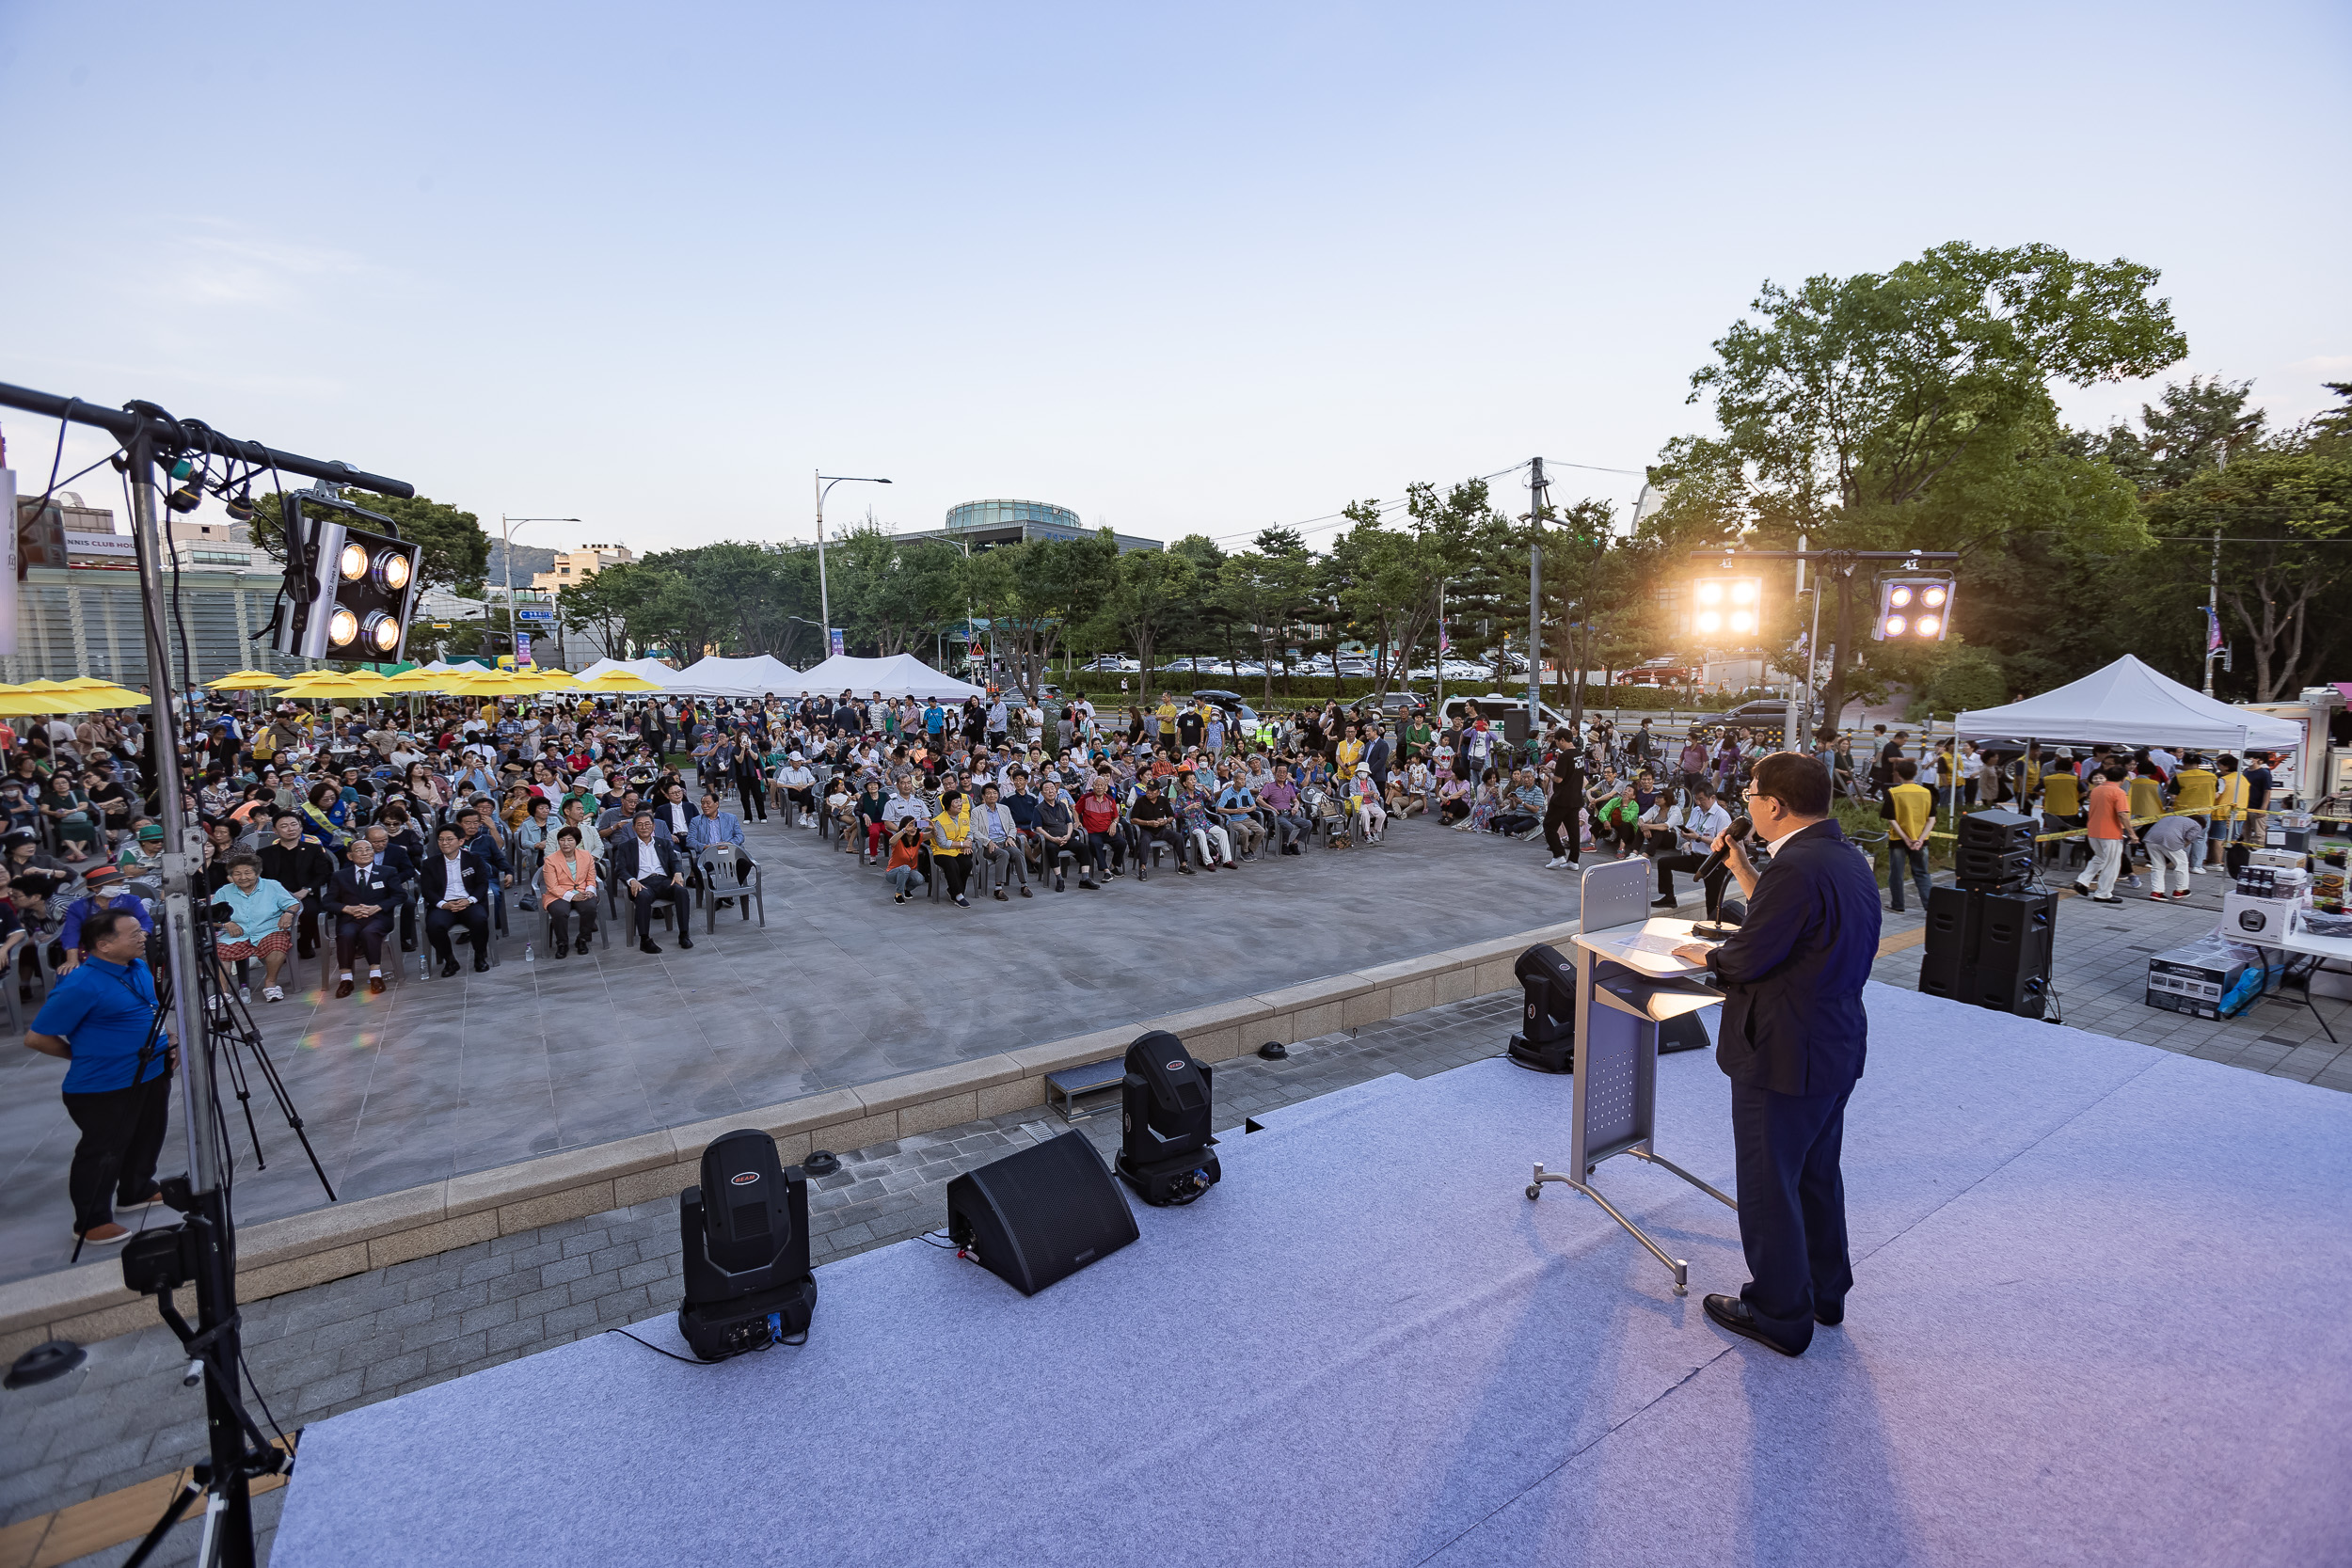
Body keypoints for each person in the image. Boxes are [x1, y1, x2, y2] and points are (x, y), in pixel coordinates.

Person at [1670, 752, 1879, 1358]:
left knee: (1768, 1182)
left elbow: (1750, 955)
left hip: (1783, 1049)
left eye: (1753, 792)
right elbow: (1794, 926)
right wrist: (1742, 871)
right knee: (1814, 1175)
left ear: (1776, 805)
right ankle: (1823, 1293)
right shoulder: (1840, 857)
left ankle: (1779, 1311)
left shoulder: (1798, 868)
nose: (1748, 803)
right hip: (1833, 1041)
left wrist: (1706, 957)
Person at [25, 906, 174, 1246]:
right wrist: (78, 1054)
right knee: (104, 1151)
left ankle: (136, 1190)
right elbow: (36, 1037)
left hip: (150, 1070)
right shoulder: (81, 983)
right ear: (104, 946)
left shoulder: (135, 965)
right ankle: (91, 1222)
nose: (144, 936)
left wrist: (170, 1040)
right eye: (134, 933)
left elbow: (148, 1009)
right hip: (104, 1084)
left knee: (148, 1134)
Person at [212, 852, 301, 1002]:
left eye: (248, 873)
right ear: (231, 876)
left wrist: (288, 914)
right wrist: (226, 923)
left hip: (268, 930)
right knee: (220, 952)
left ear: (257, 873)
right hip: (237, 934)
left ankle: (270, 984)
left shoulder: (272, 885)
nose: (242, 877)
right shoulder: (224, 891)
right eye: (237, 874)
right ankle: (223, 992)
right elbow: (210, 915)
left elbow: (293, 903)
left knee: (278, 945)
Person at [327, 836, 404, 997]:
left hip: (378, 917)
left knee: (369, 932)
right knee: (345, 934)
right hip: (351, 918)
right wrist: (347, 908)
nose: (364, 853)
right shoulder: (340, 876)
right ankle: (346, 979)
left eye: (368, 849)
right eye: (359, 850)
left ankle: (375, 975)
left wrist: (378, 907)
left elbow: (399, 896)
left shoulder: (387, 872)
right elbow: (328, 902)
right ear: (350, 856)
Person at [421, 824, 496, 975]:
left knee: (479, 920)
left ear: (461, 841)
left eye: (449, 839)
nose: (444, 843)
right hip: (444, 905)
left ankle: (479, 957)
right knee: (434, 926)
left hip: (468, 902)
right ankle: (450, 961)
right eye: (441, 839)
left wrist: (470, 900)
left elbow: (482, 883)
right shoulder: (430, 863)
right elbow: (427, 890)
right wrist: (444, 904)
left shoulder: (473, 859)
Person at [1651, 781, 1733, 918]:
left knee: (1712, 898)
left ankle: (1712, 925)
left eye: (1702, 799)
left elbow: (1724, 843)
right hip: (1696, 856)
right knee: (1664, 863)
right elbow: (1691, 828)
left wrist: (1699, 837)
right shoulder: (1696, 811)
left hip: (1714, 862)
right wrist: (1687, 835)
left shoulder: (1722, 816)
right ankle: (1669, 897)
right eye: (1696, 799)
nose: (1698, 802)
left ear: (1712, 798)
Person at [619, 811, 693, 950]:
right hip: (642, 883)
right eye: (639, 825)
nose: (644, 827)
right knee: (642, 896)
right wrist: (631, 880)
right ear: (633, 828)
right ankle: (645, 939)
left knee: (682, 892)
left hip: (664, 881)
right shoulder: (626, 847)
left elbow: (674, 861)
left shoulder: (663, 843)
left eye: (647, 824)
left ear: (653, 826)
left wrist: (678, 872)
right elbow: (620, 869)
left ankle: (684, 934)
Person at [2076, 763, 2136, 904]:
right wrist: (2132, 833)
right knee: (2112, 864)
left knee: (2100, 858)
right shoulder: (2119, 792)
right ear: (2123, 779)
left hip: (2093, 831)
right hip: (2110, 832)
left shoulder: (2096, 790)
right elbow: (2122, 814)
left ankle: (2082, 881)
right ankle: (2103, 893)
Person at [1882, 758, 1935, 912]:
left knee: (1896, 874)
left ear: (1898, 775)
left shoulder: (1893, 793)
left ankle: (1898, 905)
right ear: (1916, 773)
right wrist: (1919, 839)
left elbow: (1891, 819)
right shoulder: (1926, 793)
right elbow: (1932, 819)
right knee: (1922, 873)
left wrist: (1906, 838)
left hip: (1898, 840)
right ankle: (1930, 906)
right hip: (1921, 840)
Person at [541, 825, 601, 955]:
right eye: (562, 840)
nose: (565, 843)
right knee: (560, 911)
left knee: (590, 908)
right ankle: (562, 943)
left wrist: (590, 891)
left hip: (582, 890)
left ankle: (583, 939)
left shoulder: (586, 856)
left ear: (577, 842)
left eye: (570, 840)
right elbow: (552, 886)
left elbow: (591, 878)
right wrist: (572, 896)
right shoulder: (550, 860)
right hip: (558, 894)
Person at [882, 816, 927, 903]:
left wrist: (933, 828)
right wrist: (904, 830)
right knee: (905, 868)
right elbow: (891, 842)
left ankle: (906, 889)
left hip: (910, 871)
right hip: (892, 873)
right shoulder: (899, 839)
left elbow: (933, 834)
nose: (913, 828)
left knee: (919, 879)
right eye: (910, 826)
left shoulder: (918, 837)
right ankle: (898, 894)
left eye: (915, 826)